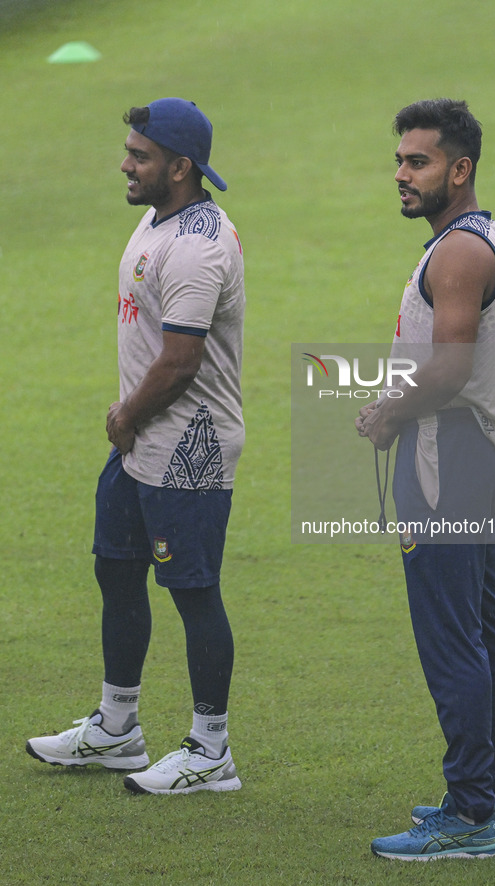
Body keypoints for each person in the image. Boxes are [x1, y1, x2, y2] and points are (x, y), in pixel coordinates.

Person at [26, 98, 245, 795]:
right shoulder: (157, 221)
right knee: (116, 571)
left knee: (193, 592)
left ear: (179, 168)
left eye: (140, 155)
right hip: (141, 442)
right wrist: (129, 429)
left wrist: (124, 417)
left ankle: (211, 752)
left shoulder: (200, 246)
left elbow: (181, 361)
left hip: (188, 449)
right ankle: (117, 730)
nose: (125, 163)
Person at [356, 99, 495, 859]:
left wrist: (388, 413)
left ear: (458, 170)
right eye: (400, 160)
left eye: (418, 162)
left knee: (451, 638)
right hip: (470, 455)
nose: (401, 174)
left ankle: (471, 816)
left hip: (443, 452)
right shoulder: (480, 235)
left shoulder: (457, 254)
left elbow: (450, 369)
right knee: (485, 625)